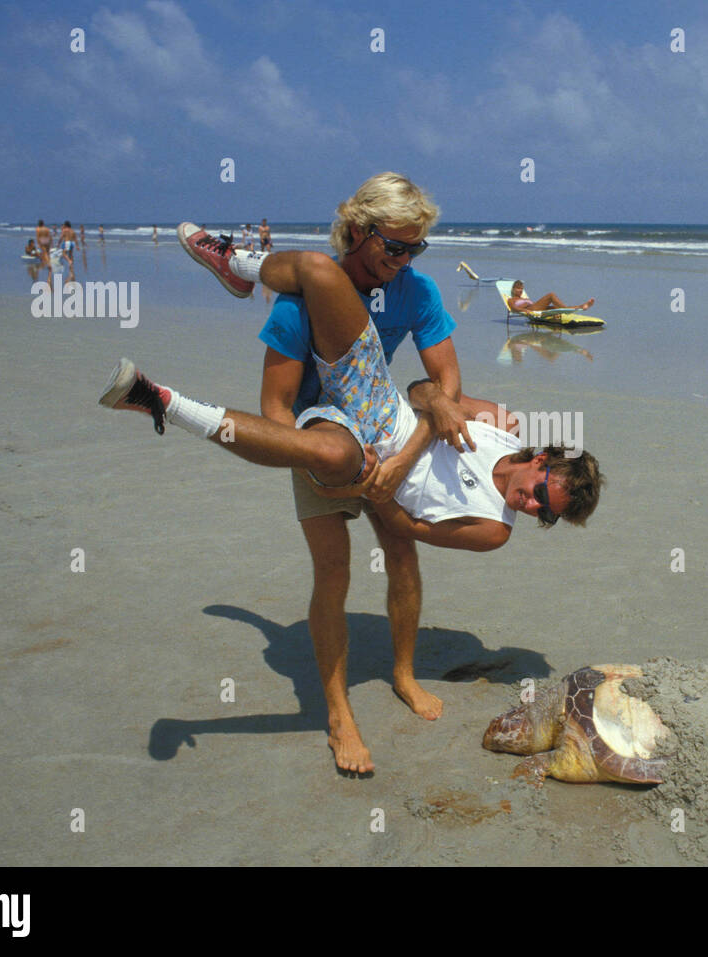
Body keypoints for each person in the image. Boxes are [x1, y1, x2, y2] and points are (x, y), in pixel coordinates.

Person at [171, 172, 567, 775]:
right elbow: (275, 411)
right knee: (334, 574)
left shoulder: (414, 290)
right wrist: (321, 466)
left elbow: (448, 388)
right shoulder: (300, 302)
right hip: (320, 436)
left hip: (392, 438)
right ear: (357, 232)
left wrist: (414, 436)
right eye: (394, 247)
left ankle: (403, 674)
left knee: (403, 559)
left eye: (416, 249)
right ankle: (337, 714)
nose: (403, 261)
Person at [505, 280, 594, 315]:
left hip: (536, 308)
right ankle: (571, 309)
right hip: (532, 310)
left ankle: (581, 306)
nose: (520, 291)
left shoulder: (524, 298)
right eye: (518, 288)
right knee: (551, 295)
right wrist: (525, 311)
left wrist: (526, 302)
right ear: (513, 289)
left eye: (521, 289)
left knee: (556, 307)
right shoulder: (511, 299)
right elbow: (514, 308)